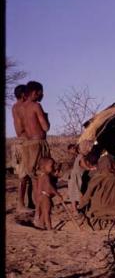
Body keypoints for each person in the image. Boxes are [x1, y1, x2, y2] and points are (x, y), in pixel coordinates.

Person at [18, 81, 51, 212]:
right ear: (34, 92)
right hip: (38, 144)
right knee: (41, 177)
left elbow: (20, 130)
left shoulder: (19, 108)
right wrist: (46, 118)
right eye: (40, 92)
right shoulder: (36, 106)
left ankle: (37, 210)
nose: (42, 95)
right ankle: (39, 211)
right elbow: (46, 127)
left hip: (26, 145)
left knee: (33, 177)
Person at [11, 84, 34, 211]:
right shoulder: (20, 107)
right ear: (24, 95)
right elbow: (20, 129)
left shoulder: (16, 107)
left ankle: (30, 202)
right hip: (23, 144)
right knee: (24, 176)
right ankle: (20, 204)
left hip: (24, 143)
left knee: (29, 175)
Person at [34, 157, 63, 230]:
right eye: (51, 166)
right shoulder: (46, 176)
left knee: (44, 212)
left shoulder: (40, 176)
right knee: (47, 212)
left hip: (40, 196)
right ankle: (49, 227)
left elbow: (38, 188)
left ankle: (41, 224)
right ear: (43, 167)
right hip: (45, 196)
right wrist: (57, 194)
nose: (53, 168)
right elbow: (49, 186)